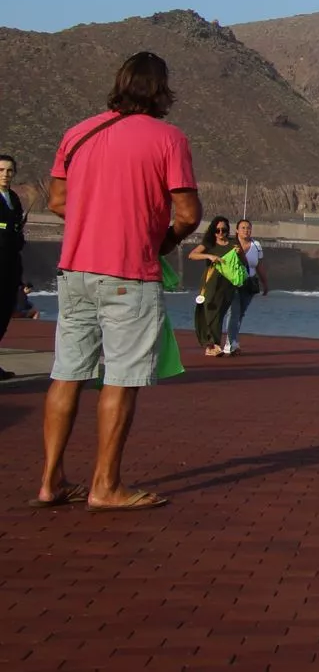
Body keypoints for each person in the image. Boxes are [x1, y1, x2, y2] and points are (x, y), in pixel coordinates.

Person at [35, 51, 201, 512]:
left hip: (74, 271)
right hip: (129, 272)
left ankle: (50, 481)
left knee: (66, 373)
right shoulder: (169, 139)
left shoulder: (77, 133)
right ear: (161, 89)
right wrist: (160, 240)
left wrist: (95, 216)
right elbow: (188, 214)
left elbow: (56, 200)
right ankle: (105, 486)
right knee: (121, 380)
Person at [189, 216, 237, 357]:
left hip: (227, 284)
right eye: (218, 230)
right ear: (213, 231)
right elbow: (192, 255)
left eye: (224, 230)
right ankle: (212, 344)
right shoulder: (209, 244)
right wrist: (209, 256)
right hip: (211, 282)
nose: (221, 233)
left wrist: (239, 254)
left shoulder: (233, 245)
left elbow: (242, 262)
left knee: (220, 314)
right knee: (210, 312)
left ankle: (212, 346)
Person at [222, 218, 267, 355]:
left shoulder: (256, 245)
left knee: (241, 313)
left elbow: (259, 265)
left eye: (248, 228)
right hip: (233, 283)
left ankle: (234, 340)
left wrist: (265, 283)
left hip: (249, 283)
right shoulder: (230, 244)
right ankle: (230, 342)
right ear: (236, 230)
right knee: (233, 312)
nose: (246, 230)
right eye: (243, 228)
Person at [0, 153, 25, 379]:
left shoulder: (14, 198)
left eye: (9, 171)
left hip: (10, 267)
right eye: (1, 171)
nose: (5, 175)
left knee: (3, 315)